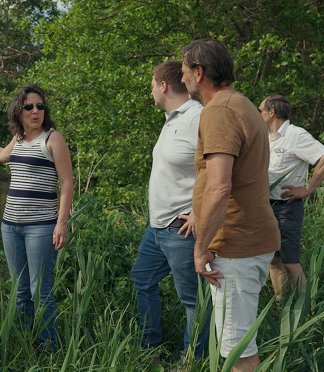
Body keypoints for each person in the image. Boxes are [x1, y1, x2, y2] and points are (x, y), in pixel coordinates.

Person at [180, 39, 280, 372]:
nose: (182, 81)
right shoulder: (242, 104)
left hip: (236, 247)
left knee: (238, 352)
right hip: (247, 240)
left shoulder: (219, 111)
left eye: (184, 73)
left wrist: (200, 247)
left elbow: (220, 186)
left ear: (199, 72)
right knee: (238, 341)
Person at [0, 84, 73, 350]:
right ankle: (25, 345)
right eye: (29, 107)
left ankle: (48, 349)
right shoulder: (19, 138)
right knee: (19, 291)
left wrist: (62, 222)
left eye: (40, 106)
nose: (36, 111)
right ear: (18, 111)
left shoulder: (53, 138)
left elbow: (67, 183)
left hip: (41, 227)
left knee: (39, 292)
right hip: (10, 226)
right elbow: (1, 155)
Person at [130, 61, 208, 359]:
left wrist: (199, 212)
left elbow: (220, 170)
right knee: (142, 279)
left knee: (192, 299)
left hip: (181, 229)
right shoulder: (171, 118)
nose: (151, 91)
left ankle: (193, 360)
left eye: (152, 84)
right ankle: (149, 347)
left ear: (163, 85)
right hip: (157, 228)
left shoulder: (198, 118)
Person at [259, 94, 324, 301]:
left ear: (272, 112)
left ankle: (306, 313)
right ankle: (281, 307)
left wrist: (307, 189)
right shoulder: (266, 137)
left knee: (290, 262)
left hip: (287, 208)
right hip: (267, 207)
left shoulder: (295, 135)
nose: (259, 114)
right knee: (273, 261)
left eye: (261, 110)